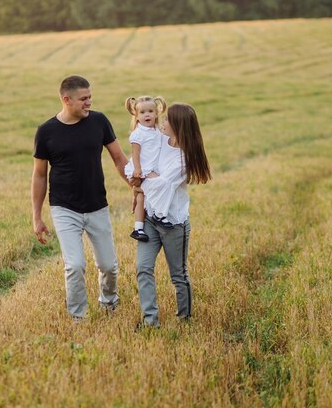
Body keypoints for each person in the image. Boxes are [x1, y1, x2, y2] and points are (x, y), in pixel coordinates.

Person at [31, 75, 129, 322]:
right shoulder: (46, 132)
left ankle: (109, 304)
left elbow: (119, 158)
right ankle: (78, 319)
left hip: (97, 204)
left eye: (90, 97)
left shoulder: (99, 121)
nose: (89, 103)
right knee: (74, 265)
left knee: (108, 265)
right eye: (83, 99)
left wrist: (137, 188)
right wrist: (37, 217)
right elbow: (40, 176)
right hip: (64, 207)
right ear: (67, 99)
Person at [135, 103, 211, 328]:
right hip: (149, 217)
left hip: (173, 224)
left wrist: (145, 182)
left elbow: (161, 185)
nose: (162, 122)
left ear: (178, 125)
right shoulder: (160, 140)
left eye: (167, 120)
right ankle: (150, 321)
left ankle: (184, 320)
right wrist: (147, 178)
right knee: (143, 268)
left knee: (178, 275)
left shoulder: (185, 158)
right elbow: (146, 167)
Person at [124, 95, 166, 242]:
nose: (146, 115)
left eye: (150, 111)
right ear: (136, 116)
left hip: (152, 167)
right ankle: (160, 216)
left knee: (141, 196)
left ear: (156, 113)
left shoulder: (157, 130)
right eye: (142, 112)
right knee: (160, 184)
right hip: (142, 168)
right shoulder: (138, 133)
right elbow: (135, 153)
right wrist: (137, 169)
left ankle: (138, 228)